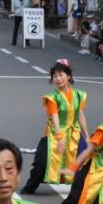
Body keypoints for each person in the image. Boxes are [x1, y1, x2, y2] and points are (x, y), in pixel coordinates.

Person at [22, 61, 89, 194]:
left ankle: (82, 191)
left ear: (68, 76)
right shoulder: (52, 97)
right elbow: (54, 117)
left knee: (84, 162)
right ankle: (29, 188)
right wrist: (59, 137)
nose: (57, 79)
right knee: (42, 162)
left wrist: (87, 136)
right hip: (54, 133)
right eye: (55, 76)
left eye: (60, 75)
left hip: (74, 134)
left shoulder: (79, 95)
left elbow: (80, 115)